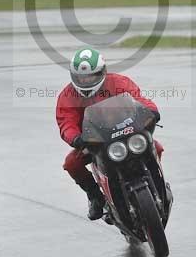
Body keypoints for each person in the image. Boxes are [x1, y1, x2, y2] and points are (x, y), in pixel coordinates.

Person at [56, 47, 163, 220]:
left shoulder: (119, 82)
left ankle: (158, 182)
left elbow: (138, 98)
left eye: (91, 75)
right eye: (81, 77)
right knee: (71, 164)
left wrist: (151, 111)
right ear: (73, 76)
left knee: (156, 147)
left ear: (102, 71)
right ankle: (95, 197)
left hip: (127, 132)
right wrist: (75, 137)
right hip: (94, 142)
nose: (86, 80)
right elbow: (65, 121)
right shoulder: (67, 95)